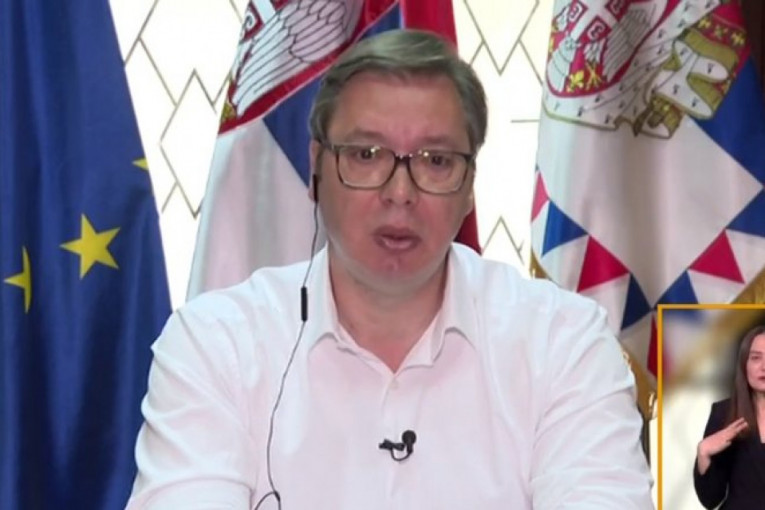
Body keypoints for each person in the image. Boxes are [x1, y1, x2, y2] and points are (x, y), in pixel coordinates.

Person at [125, 29, 653, 509]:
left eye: (436, 161)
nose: (400, 192)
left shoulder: (563, 341)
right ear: (316, 168)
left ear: (470, 187)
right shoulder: (216, 344)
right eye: (367, 155)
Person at [694, 325, 765, 509]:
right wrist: (704, 453)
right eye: (756, 358)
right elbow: (711, 499)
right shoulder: (724, 413)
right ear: (744, 365)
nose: (764, 367)